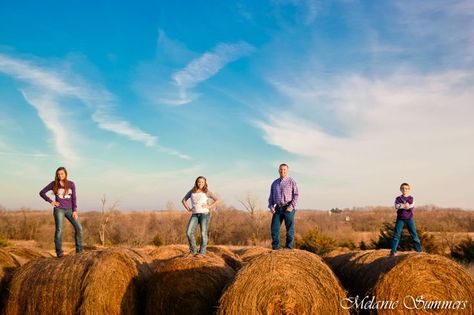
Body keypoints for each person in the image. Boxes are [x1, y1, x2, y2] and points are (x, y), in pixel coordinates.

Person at [39, 166, 83, 257]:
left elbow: (74, 198)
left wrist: (75, 210)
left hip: (70, 210)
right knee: (59, 230)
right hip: (59, 210)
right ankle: (59, 253)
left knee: (79, 228)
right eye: (58, 174)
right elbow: (42, 192)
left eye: (62, 173)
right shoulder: (54, 184)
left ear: (65, 174)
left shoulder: (71, 184)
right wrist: (51, 201)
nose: (60, 175)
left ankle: (79, 252)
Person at [182, 176, 219, 256]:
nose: (200, 183)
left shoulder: (207, 191)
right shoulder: (192, 191)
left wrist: (209, 206)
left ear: (205, 183)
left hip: (205, 214)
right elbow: (183, 200)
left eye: (202, 182)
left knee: (203, 233)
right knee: (189, 232)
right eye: (199, 182)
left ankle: (202, 253)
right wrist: (188, 208)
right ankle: (193, 250)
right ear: (196, 182)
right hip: (195, 214)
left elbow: (217, 200)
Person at [268, 164, 299, 250]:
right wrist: (271, 206)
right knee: (274, 228)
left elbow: (296, 195)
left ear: (287, 171)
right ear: (278, 170)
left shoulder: (291, 181)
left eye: (284, 169)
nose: (282, 171)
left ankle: (288, 247)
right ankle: (276, 248)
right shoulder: (274, 183)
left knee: (289, 230)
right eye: (281, 169)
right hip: (278, 208)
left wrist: (291, 206)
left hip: (288, 208)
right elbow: (271, 197)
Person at [390, 183, 422, 256]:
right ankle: (393, 251)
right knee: (396, 235)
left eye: (406, 188)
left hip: (409, 218)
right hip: (400, 218)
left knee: (414, 235)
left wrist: (402, 205)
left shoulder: (411, 198)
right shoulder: (398, 198)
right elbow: (396, 206)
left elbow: (410, 206)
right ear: (401, 189)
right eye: (403, 188)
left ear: (409, 190)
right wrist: (403, 205)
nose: (405, 190)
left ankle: (419, 251)